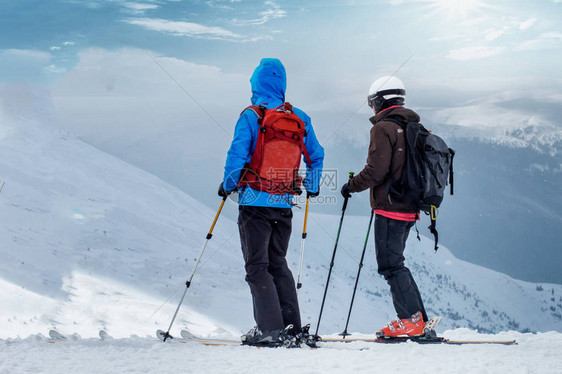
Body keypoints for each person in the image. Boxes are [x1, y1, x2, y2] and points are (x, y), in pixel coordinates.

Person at [219, 58, 324, 346]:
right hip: (284, 202)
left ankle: (269, 330)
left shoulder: (252, 115)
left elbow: (237, 155)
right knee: (278, 263)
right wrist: (312, 187)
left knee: (257, 266)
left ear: (255, 83)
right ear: (282, 84)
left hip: (254, 202)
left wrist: (227, 185)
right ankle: (291, 327)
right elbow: (317, 155)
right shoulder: (299, 117)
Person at [340, 76, 428, 337]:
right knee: (397, 263)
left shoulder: (384, 128)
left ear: (379, 101)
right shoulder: (415, 127)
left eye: (372, 103)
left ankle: (410, 322)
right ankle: (417, 320)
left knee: (390, 265)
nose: (372, 108)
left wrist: (351, 186)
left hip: (390, 206)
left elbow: (376, 171)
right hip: (410, 206)